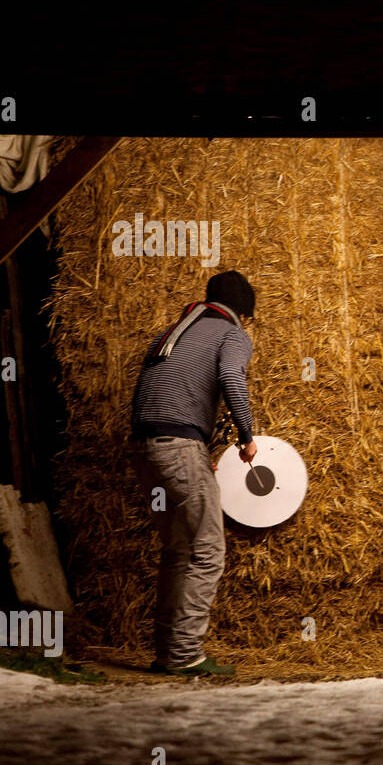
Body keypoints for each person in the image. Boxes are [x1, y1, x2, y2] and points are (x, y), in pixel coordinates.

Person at [129, 270, 258, 676]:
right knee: (209, 550)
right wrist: (246, 434)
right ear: (242, 312)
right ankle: (185, 653)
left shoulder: (171, 333)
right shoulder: (230, 334)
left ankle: (169, 653)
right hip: (179, 447)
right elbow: (231, 378)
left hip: (145, 449)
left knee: (179, 551)